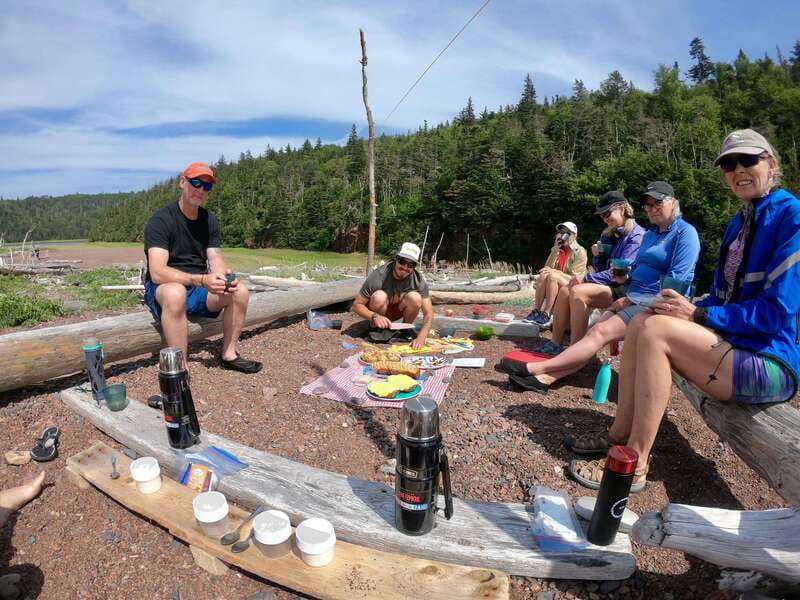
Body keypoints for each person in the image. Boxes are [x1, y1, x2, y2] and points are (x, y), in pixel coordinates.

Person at [565, 129, 800, 492]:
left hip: (770, 362)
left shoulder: (791, 216)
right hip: (736, 344)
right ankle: (618, 433)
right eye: (729, 164)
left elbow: (777, 313)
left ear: (770, 163)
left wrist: (700, 315)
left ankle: (635, 461)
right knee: (644, 321)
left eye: (748, 160)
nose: (738, 169)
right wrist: (689, 306)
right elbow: (723, 297)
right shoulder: (740, 222)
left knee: (655, 330)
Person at [502, 181, 700, 395]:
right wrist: (625, 283)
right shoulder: (651, 234)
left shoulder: (685, 233)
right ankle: (546, 378)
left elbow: (675, 283)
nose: (652, 209)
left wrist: (634, 299)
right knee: (593, 334)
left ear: (674, 203)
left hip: (659, 305)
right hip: (634, 296)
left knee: (599, 331)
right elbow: (635, 270)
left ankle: (537, 369)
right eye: (648, 205)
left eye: (657, 203)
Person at [143, 162, 262, 373]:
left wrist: (223, 277)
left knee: (239, 291)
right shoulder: (161, 220)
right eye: (196, 183)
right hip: (164, 287)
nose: (201, 189)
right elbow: (158, 272)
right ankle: (180, 368)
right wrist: (200, 280)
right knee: (175, 292)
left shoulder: (209, 220)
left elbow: (215, 258)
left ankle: (229, 354)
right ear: (182, 182)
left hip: (198, 287)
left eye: (207, 186)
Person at [536, 192, 645, 355]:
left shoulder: (636, 235)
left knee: (578, 292)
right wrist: (598, 256)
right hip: (610, 282)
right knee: (565, 290)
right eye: (602, 215)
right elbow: (601, 269)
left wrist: (586, 277)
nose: (605, 218)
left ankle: (575, 351)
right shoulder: (608, 233)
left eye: (608, 213)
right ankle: (555, 343)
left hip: (625, 286)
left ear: (622, 209)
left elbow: (619, 272)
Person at [352, 242, 434, 349]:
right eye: (402, 261)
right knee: (379, 296)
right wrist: (374, 316)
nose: (405, 267)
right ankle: (377, 329)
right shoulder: (379, 275)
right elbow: (356, 305)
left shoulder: (418, 280)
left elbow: (428, 313)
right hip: (378, 313)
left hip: (397, 312)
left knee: (415, 297)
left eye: (411, 265)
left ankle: (405, 330)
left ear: (414, 266)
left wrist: (421, 337)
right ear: (396, 259)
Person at [524, 222, 588, 328]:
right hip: (557, 281)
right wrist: (555, 250)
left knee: (553, 275)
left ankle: (547, 313)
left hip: (574, 284)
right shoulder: (558, 249)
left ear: (575, 236)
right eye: (561, 232)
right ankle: (536, 311)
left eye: (567, 233)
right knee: (544, 275)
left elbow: (575, 277)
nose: (563, 235)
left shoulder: (580, 252)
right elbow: (546, 268)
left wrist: (556, 272)